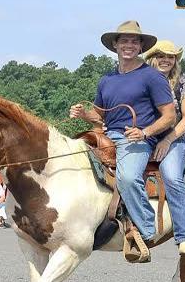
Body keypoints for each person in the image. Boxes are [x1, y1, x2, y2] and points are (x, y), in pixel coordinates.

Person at [70, 20, 176, 263]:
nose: (129, 45)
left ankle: (149, 230)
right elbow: (101, 115)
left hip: (138, 138)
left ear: (140, 47)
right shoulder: (107, 79)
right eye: (124, 41)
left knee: (127, 178)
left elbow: (170, 115)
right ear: (115, 45)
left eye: (134, 41)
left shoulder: (152, 76)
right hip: (109, 136)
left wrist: (145, 132)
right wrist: (84, 115)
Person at [144, 39, 185, 255]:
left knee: (172, 175)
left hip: (174, 138)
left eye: (170, 56)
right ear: (152, 58)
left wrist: (167, 141)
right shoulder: (142, 81)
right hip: (144, 136)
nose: (166, 60)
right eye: (161, 55)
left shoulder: (184, 83)